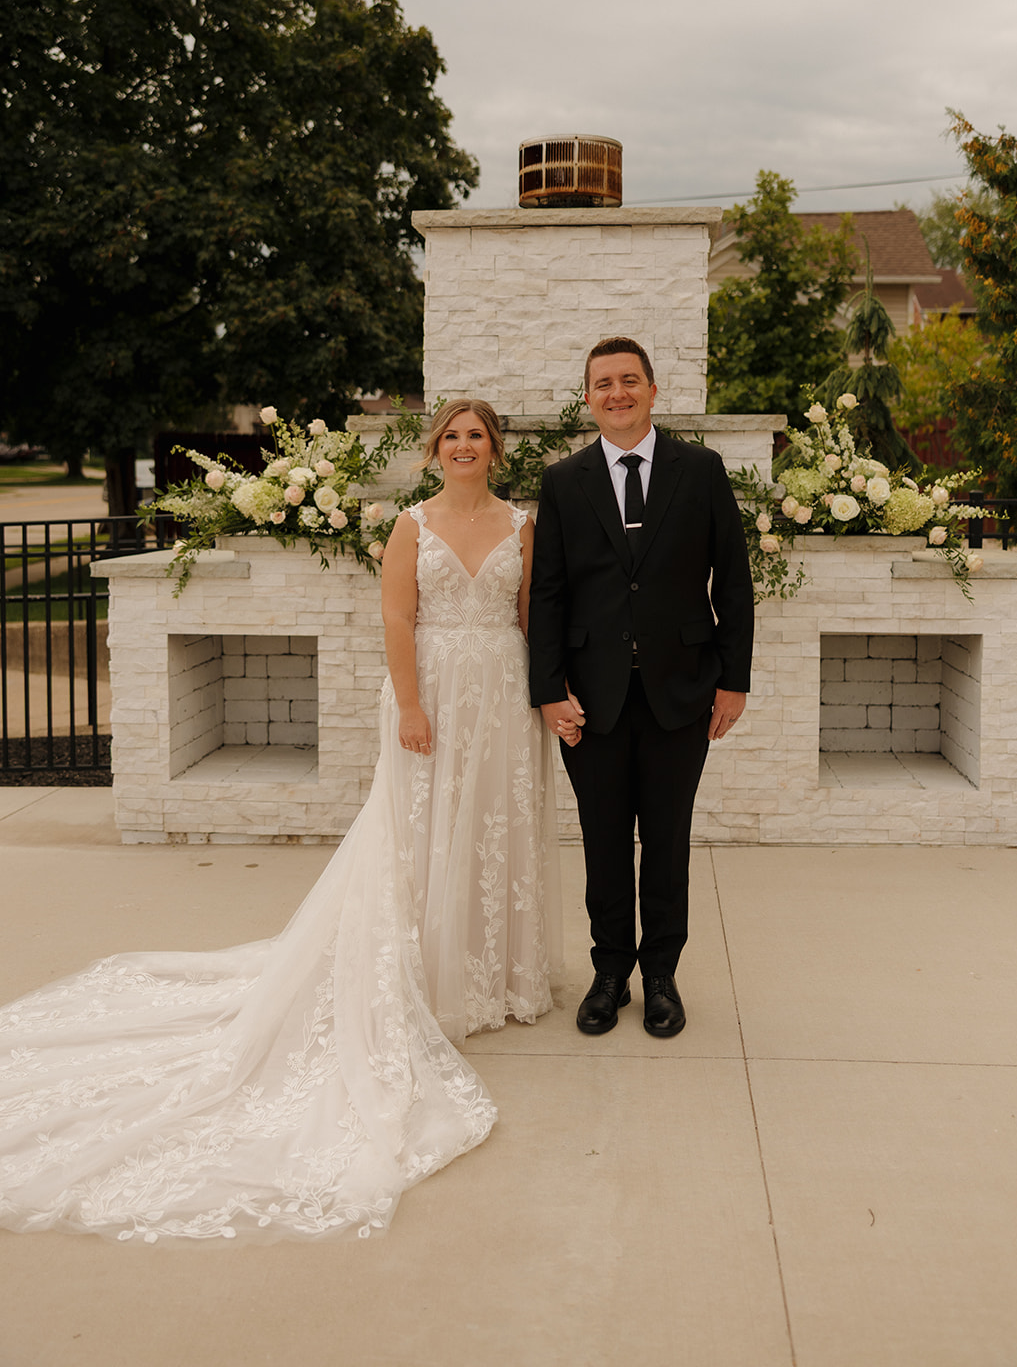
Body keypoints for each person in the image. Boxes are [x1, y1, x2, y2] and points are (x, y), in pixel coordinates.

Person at [0, 398, 561, 1243]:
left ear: (495, 449)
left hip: (502, 694)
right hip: (433, 692)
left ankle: (497, 970)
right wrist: (410, 704)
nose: (463, 447)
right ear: (434, 449)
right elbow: (398, 618)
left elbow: (530, 621)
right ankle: (432, 975)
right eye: (451, 435)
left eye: (476, 435)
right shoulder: (411, 523)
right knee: (422, 835)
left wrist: (541, 696)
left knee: (488, 833)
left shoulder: (524, 525)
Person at [529, 337, 754, 1039]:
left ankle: (661, 977)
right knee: (601, 843)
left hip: (681, 693)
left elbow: (734, 582)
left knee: (665, 841)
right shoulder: (564, 482)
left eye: (629, 381)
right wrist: (547, 689)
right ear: (588, 397)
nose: (617, 393)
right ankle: (608, 975)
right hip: (589, 701)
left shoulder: (703, 470)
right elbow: (548, 596)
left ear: (653, 391)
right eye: (603, 383)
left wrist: (733, 681)